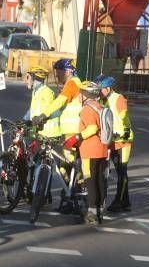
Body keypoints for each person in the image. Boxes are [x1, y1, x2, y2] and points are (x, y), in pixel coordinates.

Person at [63, 81, 108, 224]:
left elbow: (92, 128)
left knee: (90, 180)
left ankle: (92, 212)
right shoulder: (99, 106)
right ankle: (100, 209)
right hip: (102, 149)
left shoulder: (86, 109)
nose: (79, 96)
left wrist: (77, 137)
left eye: (81, 93)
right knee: (99, 180)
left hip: (89, 150)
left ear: (85, 94)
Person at [95, 75, 133, 212]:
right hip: (110, 140)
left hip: (123, 139)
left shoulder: (118, 98)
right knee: (118, 171)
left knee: (122, 171)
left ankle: (119, 201)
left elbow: (123, 115)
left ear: (108, 88)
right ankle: (126, 202)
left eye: (101, 89)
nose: (99, 91)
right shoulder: (100, 100)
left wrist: (124, 129)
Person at [24, 66, 61, 139]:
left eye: (28, 77)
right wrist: (24, 120)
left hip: (49, 133)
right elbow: (32, 109)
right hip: (39, 131)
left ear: (35, 78)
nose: (26, 81)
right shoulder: (35, 91)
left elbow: (56, 111)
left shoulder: (47, 92)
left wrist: (41, 118)